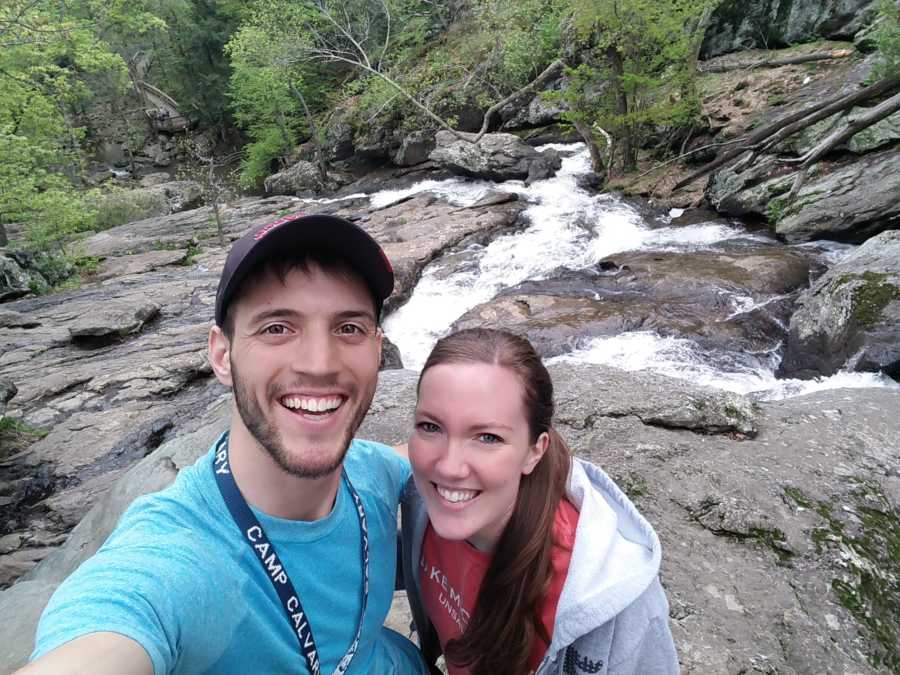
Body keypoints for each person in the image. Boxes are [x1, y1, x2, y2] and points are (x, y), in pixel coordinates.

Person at [21, 213, 429, 675]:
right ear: (221, 355)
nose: (320, 363)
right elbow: (105, 635)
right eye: (277, 327)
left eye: (349, 328)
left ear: (378, 349)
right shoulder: (174, 563)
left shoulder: (371, 472)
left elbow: (435, 459)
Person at [400, 328, 679, 675]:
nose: (449, 466)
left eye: (487, 437)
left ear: (535, 450)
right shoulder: (419, 499)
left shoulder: (613, 600)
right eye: (430, 427)